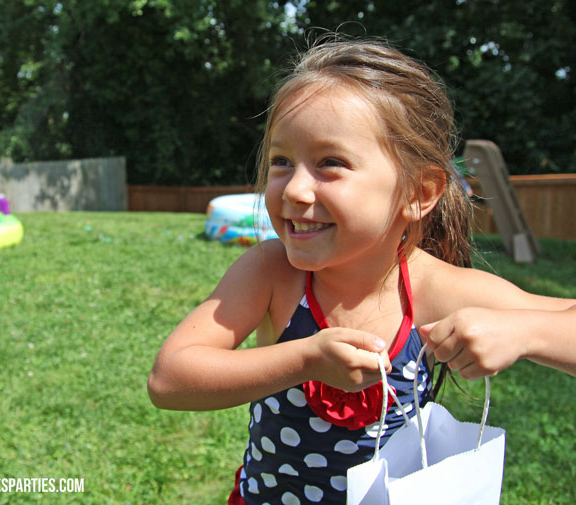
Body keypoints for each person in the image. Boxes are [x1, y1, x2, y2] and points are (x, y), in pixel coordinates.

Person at [147, 37, 576, 505]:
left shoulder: (433, 288)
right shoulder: (273, 272)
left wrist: (526, 332)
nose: (294, 189)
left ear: (419, 192)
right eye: (282, 162)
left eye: (330, 163)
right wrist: (304, 359)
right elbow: (170, 380)